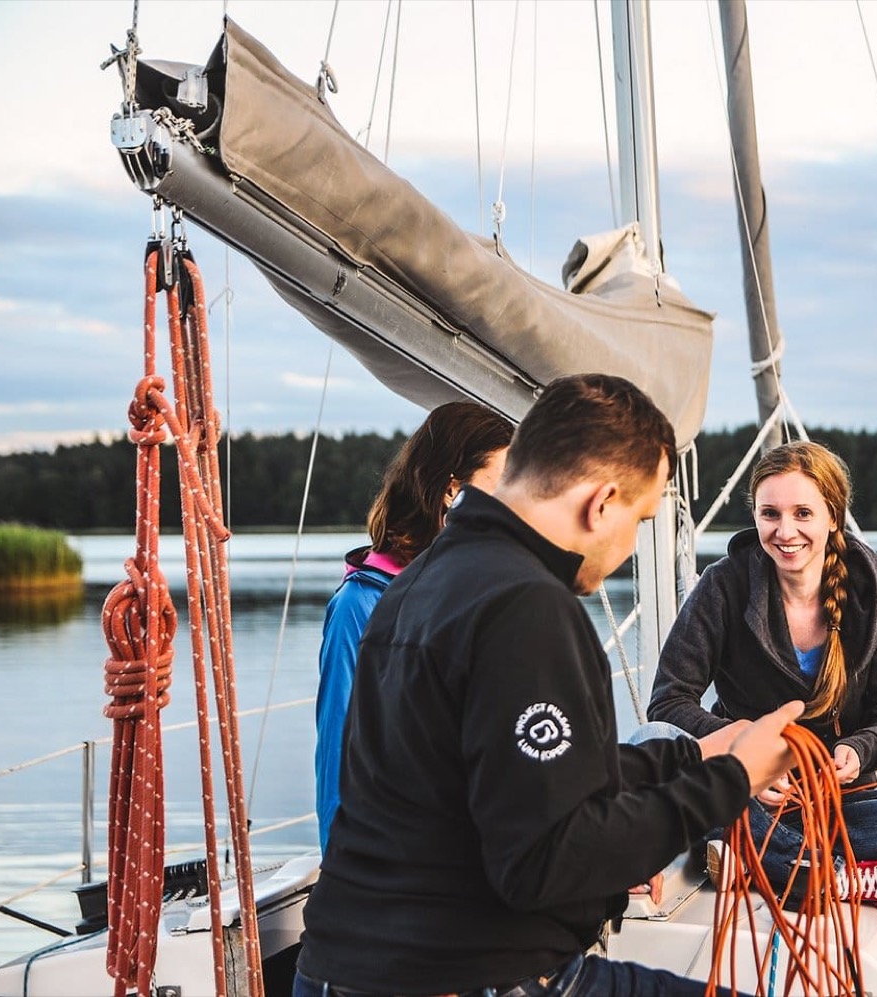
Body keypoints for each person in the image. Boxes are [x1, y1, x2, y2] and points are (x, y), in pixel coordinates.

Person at [295, 373, 803, 997]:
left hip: (352, 966)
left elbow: (518, 775)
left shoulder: (419, 580)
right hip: (463, 976)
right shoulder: (524, 606)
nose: (627, 548)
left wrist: (695, 754)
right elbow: (548, 862)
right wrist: (734, 780)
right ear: (602, 503)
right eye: (640, 520)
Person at [646, 439, 877, 901]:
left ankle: (759, 853)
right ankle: (821, 871)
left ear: (833, 517)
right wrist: (748, 754)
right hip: (744, 792)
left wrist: (858, 751)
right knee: (652, 741)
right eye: (770, 514)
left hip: (838, 806)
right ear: (755, 516)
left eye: (803, 513)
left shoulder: (876, 593)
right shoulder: (722, 585)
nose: (785, 531)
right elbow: (668, 703)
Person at [313, 400, 513, 851]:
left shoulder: (484, 595)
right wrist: (346, 872)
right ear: (451, 491)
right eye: (502, 484)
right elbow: (339, 758)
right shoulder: (359, 606)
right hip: (401, 865)